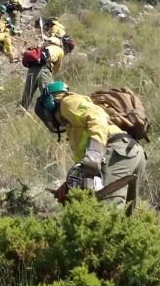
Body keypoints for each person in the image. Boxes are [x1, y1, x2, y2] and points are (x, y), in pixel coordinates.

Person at [37, 82, 146, 214]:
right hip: (130, 152)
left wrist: (94, 153)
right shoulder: (75, 126)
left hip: (117, 152)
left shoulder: (67, 102)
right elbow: (85, 164)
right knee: (125, 218)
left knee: (107, 214)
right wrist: (69, 186)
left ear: (50, 103)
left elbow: (97, 117)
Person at [20, 36, 64, 109]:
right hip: (44, 70)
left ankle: (20, 113)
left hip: (31, 70)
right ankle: (51, 117)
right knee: (48, 95)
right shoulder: (59, 50)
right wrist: (52, 73)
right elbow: (57, 66)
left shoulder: (42, 47)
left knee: (27, 95)